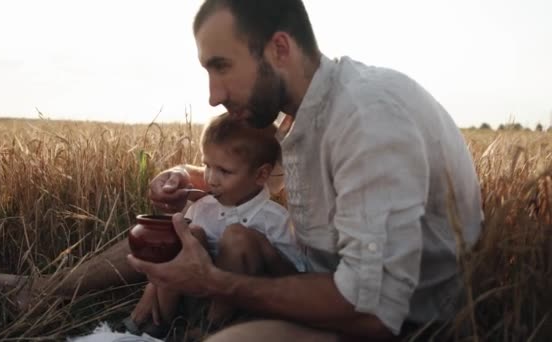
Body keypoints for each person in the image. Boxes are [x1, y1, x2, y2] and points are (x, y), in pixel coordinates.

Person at [128, 0, 484, 341]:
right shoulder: (295, 115)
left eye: (222, 67)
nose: (213, 95)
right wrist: (183, 178)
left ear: (280, 49)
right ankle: (69, 286)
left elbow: (374, 312)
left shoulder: (366, 120)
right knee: (169, 227)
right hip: (319, 287)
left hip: (395, 324)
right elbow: (256, 182)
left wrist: (213, 282)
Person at [124, 113, 304, 337]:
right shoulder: (202, 208)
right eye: (206, 165)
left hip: (241, 307)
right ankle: (162, 323)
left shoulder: (276, 220)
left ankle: (209, 329)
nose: (210, 179)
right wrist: (152, 287)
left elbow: (293, 278)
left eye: (224, 171)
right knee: (188, 233)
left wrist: (260, 253)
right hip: (194, 299)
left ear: (261, 175)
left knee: (237, 238)